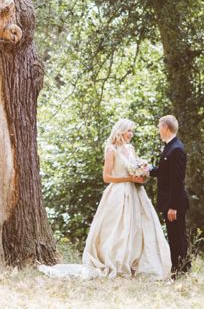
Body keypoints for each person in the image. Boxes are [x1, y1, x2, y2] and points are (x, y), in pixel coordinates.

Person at [38, 119, 171, 280]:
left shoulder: (130, 148)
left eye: (132, 131)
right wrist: (128, 178)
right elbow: (107, 177)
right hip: (118, 193)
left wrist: (141, 175)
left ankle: (135, 263)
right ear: (120, 131)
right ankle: (115, 262)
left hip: (136, 193)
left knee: (137, 226)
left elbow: (136, 168)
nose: (131, 134)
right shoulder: (111, 150)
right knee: (117, 228)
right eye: (129, 131)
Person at [149, 115, 191, 278]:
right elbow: (165, 172)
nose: (159, 130)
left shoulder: (177, 149)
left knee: (177, 238)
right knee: (174, 237)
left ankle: (180, 272)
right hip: (170, 202)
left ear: (165, 127)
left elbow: (178, 181)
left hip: (175, 203)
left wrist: (173, 206)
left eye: (159, 127)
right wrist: (148, 169)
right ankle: (179, 271)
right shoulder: (169, 147)